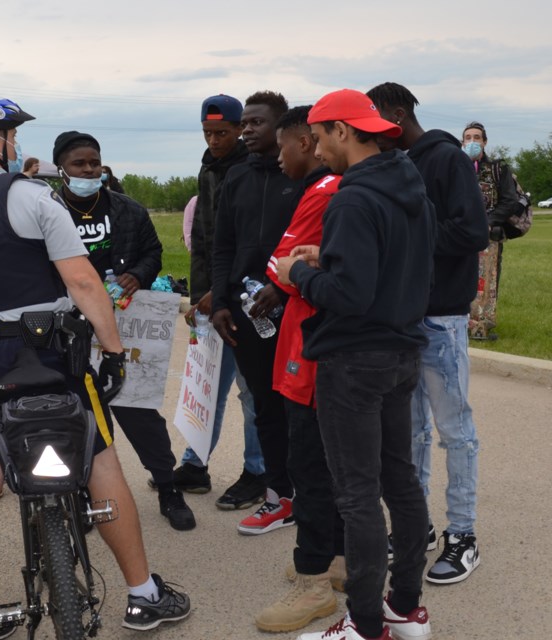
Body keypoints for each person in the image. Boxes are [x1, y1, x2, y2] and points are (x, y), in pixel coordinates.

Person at [0, 95, 190, 640]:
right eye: (12, 137)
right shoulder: (27, 195)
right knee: (99, 462)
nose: (16, 146)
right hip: (46, 354)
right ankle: (143, 595)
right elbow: (85, 282)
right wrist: (113, 351)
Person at [276, 89, 435, 640]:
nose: (317, 151)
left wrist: (298, 274)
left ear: (343, 130)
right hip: (402, 352)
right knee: (402, 482)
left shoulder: (351, 198)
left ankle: (365, 625)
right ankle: (407, 608)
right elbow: (398, 265)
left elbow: (349, 294)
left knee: (358, 496)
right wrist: (329, 255)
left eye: (319, 138)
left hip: (353, 360)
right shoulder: (409, 186)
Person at [367, 83, 490, 585]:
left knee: (453, 429)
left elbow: (473, 231)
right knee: (408, 432)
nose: (370, 133)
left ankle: (463, 535)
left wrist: (410, 236)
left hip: (441, 316)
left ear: (398, 115)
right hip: (402, 317)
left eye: (376, 122)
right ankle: (413, 529)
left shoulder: (447, 160)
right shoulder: (393, 165)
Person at [52, 130, 195, 531]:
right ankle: (83, 495)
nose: (89, 170)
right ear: (61, 169)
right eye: (79, 164)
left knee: (139, 411)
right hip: (70, 330)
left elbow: (153, 251)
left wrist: (136, 275)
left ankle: (168, 488)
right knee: (79, 415)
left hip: (126, 327)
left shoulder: (127, 209)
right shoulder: (47, 212)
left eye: (94, 162)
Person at [253, 106, 344, 633]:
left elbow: (282, 268)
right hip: (310, 338)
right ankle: (334, 557)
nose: (279, 155)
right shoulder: (334, 188)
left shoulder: (326, 190)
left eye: (284, 145)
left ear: (308, 142)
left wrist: (285, 268)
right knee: (327, 463)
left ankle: (314, 580)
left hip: (313, 346)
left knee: (310, 465)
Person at [211, 91, 301, 534]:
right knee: (263, 406)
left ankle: (312, 496)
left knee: (300, 407)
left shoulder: (306, 177)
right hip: (247, 314)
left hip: (296, 308)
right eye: (243, 123)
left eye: (256, 123)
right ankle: (278, 496)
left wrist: (283, 289)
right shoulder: (236, 177)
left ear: (281, 128)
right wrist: (222, 302)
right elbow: (222, 244)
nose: (246, 130)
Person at [179, 93, 264, 513]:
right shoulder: (207, 168)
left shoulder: (250, 169)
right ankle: (195, 464)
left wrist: (223, 288)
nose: (214, 140)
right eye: (207, 133)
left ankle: (258, 471)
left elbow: (246, 242)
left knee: (250, 390)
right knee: (206, 382)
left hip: (242, 298)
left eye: (223, 133)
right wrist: (200, 294)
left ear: (240, 130)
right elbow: (204, 241)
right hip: (212, 295)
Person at [460, 121, 524, 341]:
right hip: (460, 235)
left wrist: (488, 221)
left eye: (477, 137)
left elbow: (510, 202)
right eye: (468, 138)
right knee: (460, 278)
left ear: (485, 142)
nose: (472, 142)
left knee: (486, 280)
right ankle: (460, 323)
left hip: (489, 235)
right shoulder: (456, 168)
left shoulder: (498, 168)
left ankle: (481, 326)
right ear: (462, 142)